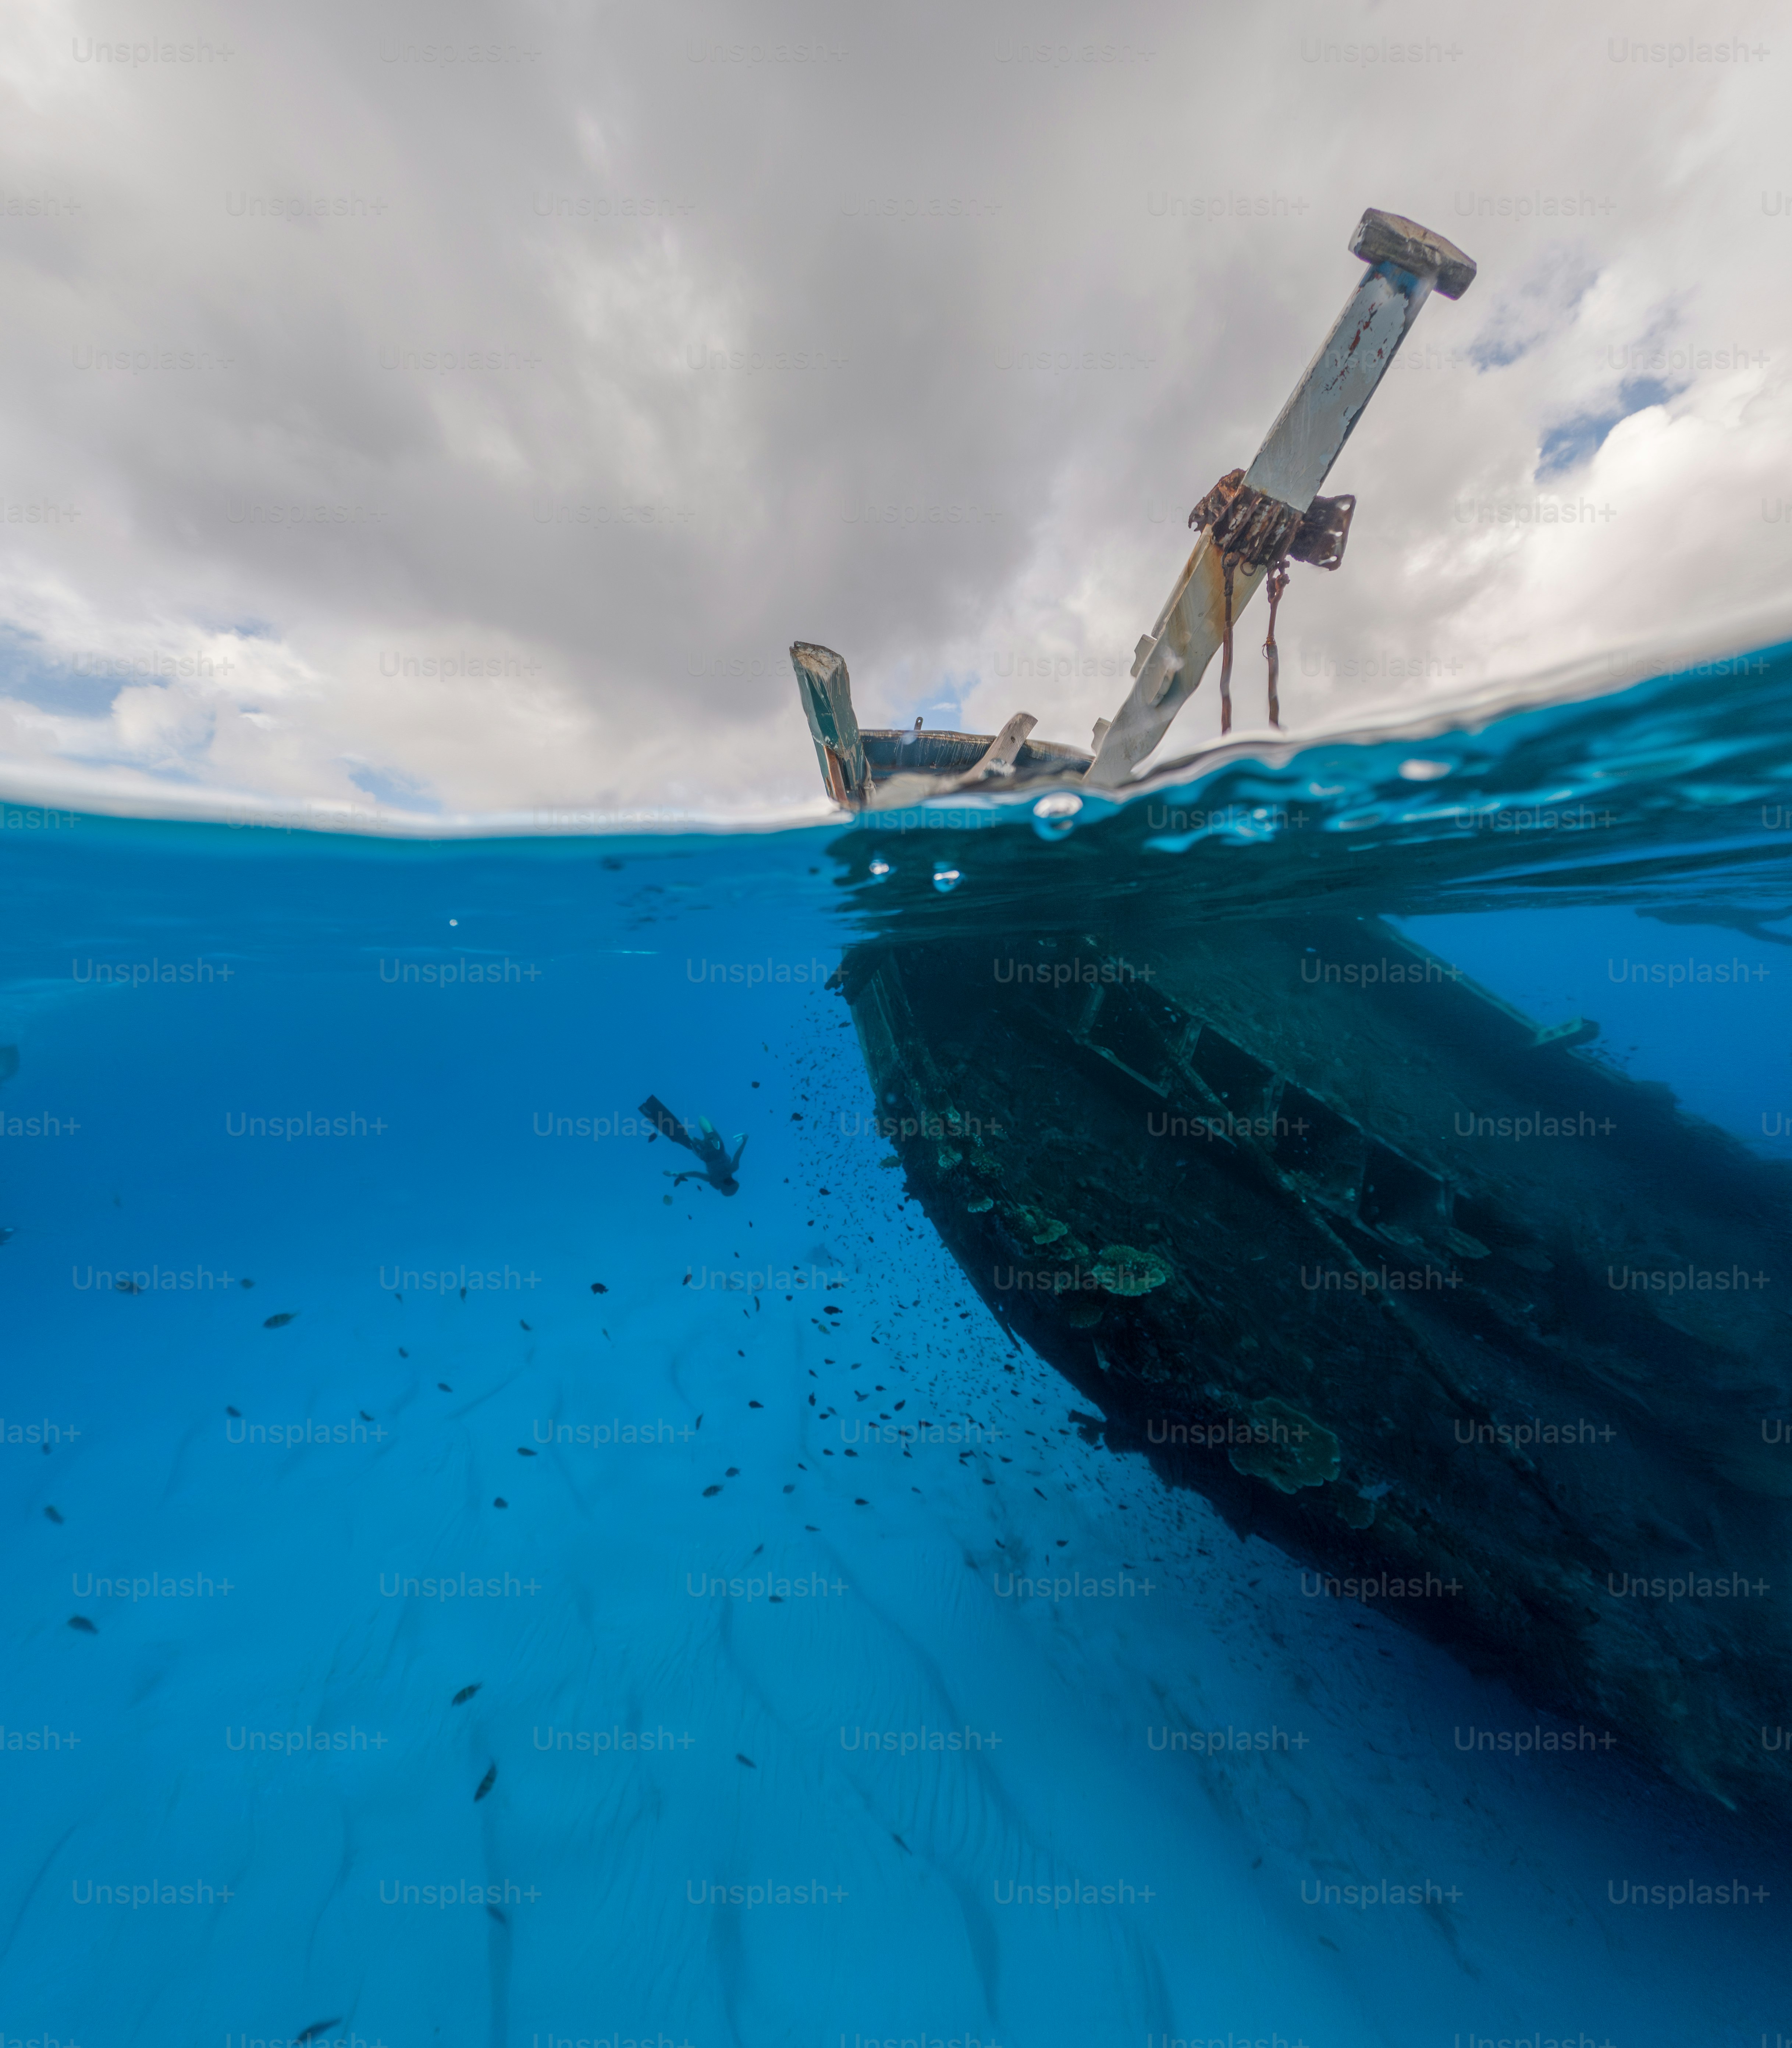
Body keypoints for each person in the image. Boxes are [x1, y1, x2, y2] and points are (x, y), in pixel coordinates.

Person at [639, 1095, 747, 1196]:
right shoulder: (712, 1179)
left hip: (716, 1149)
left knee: (702, 1120)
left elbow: (738, 1155)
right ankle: (649, 1109)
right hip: (705, 1155)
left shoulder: (732, 1169)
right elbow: (695, 1174)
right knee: (682, 1137)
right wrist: (678, 1174)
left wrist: (745, 1141)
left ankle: (710, 1136)